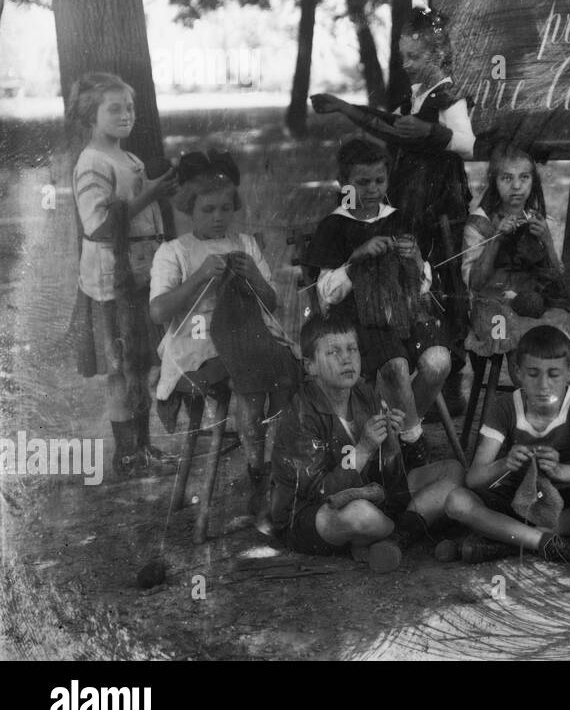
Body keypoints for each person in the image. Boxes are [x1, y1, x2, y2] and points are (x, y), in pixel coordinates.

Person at [310, 5, 475, 413]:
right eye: (404, 56)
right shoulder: (413, 98)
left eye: (415, 57)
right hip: (408, 198)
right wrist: (345, 108)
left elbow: (469, 143)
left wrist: (431, 132)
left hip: (439, 203)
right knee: (408, 275)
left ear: (439, 54)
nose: (407, 64)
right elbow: (387, 126)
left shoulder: (448, 96)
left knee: (443, 283)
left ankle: (449, 387)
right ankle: (413, 398)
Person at [149, 150, 301, 531]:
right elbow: (158, 312)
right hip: (196, 344)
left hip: (247, 335)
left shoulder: (245, 244)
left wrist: (255, 277)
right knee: (250, 380)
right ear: (189, 210)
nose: (218, 217)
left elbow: (271, 303)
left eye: (225, 209)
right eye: (208, 210)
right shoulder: (174, 252)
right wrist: (199, 276)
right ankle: (257, 474)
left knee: (285, 370)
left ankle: (272, 471)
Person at [269, 311, 464, 571]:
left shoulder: (363, 393)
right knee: (360, 514)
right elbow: (319, 492)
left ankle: (396, 537)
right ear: (310, 366)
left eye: (352, 349)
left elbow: (389, 480)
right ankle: (411, 526)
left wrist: (391, 439)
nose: (347, 359)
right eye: (333, 352)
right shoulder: (302, 415)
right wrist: (364, 448)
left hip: (367, 493)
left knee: (452, 470)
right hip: (310, 512)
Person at [66, 72, 178, 479]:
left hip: (141, 273)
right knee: (121, 367)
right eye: (114, 108)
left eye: (129, 107)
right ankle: (127, 453)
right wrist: (150, 193)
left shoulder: (128, 158)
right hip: (113, 284)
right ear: (89, 115)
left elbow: (142, 209)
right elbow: (96, 226)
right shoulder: (92, 161)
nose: (126, 114)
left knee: (141, 363)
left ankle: (145, 447)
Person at [304, 138, 453, 437]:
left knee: (438, 362)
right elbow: (325, 295)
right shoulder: (334, 226)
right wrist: (355, 259)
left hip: (405, 312)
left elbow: (422, 289)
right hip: (359, 318)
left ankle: (401, 430)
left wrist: (417, 259)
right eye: (362, 182)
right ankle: (412, 440)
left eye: (379, 180)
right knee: (395, 367)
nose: (372, 189)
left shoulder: (398, 219)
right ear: (343, 183)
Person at [443, 325, 570, 570]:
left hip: (565, 501)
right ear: (518, 372)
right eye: (533, 374)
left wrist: (560, 471)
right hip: (517, 500)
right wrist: (504, 464)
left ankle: (511, 542)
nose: (543, 385)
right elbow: (474, 478)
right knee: (456, 501)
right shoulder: (505, 407)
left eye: (554, 374)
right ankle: (549, 544)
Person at [461, 143, 570, 359]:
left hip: (532, 302)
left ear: (533, 181)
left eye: (524, 177)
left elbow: (558, 280)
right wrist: (496, 239)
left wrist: (546, 240)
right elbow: (475, 283)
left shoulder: (540, 220)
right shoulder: (479, 222)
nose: (516, 186)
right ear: (494, 182)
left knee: (556, 339)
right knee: (529, 352)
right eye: (507, 178)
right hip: (492, 306)